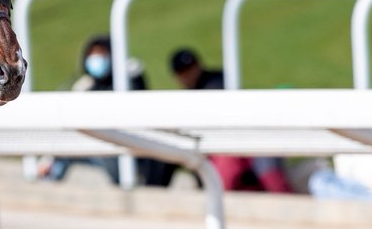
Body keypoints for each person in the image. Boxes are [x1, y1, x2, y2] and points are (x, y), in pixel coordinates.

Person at [38, 35, 176, 187]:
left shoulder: (126, 81)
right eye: (93, 55)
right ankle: (46, 183)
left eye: (101, 54)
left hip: (122, 150)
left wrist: (134, 76)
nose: (96, 59)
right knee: (64, 150)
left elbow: (138, 103)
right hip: (98, 147)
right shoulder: (85, 86)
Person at [169, 47, 293, 193]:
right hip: (222, 149)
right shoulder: (188, 97)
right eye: (183, 71)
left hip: (247, 139)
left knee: (270, 178)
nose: (188, 74)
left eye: (191, 68)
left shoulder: (217, 82)